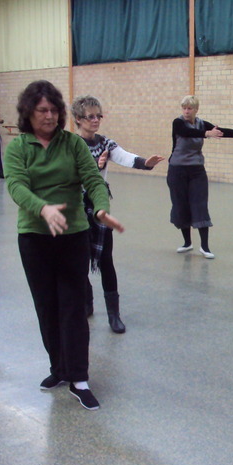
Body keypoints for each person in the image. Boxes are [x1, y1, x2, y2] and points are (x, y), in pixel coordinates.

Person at [5, 80, 124, 411]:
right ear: (28, 113)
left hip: (73, 236)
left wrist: (101, 210)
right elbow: (16, 185)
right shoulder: (18, 148)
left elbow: (93, 180)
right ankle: (58, 369)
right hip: (34, 237)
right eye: (42, 110)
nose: (49, 116)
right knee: (46, 307)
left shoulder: (72, 144)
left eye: (54, 110)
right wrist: (42, 208)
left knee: (73, 307)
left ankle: (79, 378)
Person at [71, 95, 165, 333]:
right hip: (75, 207)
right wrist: (95, 167)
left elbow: (124, 156)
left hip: (99, 205)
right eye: (90, 116)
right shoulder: (70, 144)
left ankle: (114, 314)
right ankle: (87, 303)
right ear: (78, 119)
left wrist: (146, 163)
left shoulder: (105, 143)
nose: (95, 120)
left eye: (98, 116)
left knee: (106, 260)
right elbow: (69, 174)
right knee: (79, 259)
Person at [168, 95, 233, 259]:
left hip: (197, 171)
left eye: (189, 108)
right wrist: (207, 134)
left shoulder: (201, 123)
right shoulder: (178, 123)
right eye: (184, 108)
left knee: (199, 205)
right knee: (181, 205)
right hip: (177, 170)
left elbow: (222, 132)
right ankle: (187, 243)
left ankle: (204, 247)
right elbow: (187, 132)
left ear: (196, 109)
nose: (186, 111)